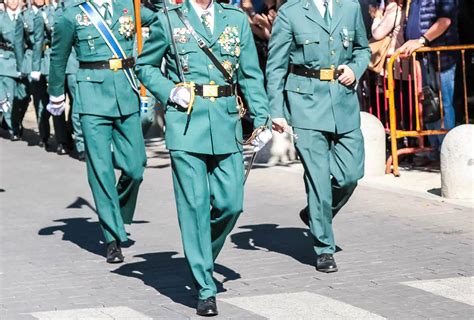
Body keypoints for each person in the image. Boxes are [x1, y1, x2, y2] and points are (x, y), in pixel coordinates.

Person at [135, 0, 271, 315]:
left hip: (226, 123)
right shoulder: (168, 19)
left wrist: (262, 119)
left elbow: (250, 74)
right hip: (186, 123)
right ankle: (205, 288)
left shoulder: (235, 19)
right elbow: (146, 66)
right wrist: (169, 91)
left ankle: (200, 256)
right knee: (195, 206)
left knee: (231, 204)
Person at [266, 0, 370, 273]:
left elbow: (362, 49)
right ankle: (324, 247)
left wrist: (355, 69)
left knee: (350, 175)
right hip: (305, 105)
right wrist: (275, 111)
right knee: (319, 179)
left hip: (343, 104)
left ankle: (314, 214)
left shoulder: (349, 6)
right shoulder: (291, 12)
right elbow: (276, 66)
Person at [47, 0, 155, 263]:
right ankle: (111, 237)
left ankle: (115, 212)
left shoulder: (130, 7)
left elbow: (161, 18)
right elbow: (58, 57)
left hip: (126, 94)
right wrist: (56, 93)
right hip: (92, 97)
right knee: (101, 169)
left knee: (135, 167)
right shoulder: (72, 15)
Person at [399, 0, 458, 157]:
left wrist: (421, 41)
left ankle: (447, 152)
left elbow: (445, 21)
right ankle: (434, 150)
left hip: (441, 58)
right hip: (424, 58)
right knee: (428, 103)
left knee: (443, 105)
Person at [0, 0, 24, 141]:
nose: (14, 2)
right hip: (7, 61)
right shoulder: (1, 18)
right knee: (9, 97)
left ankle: (14, 122)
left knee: (23, 96)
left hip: (24, 62)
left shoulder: (25, 16)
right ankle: (13, 128)